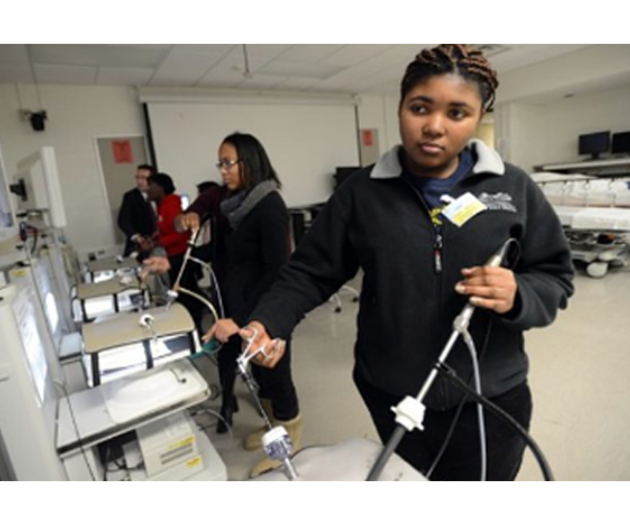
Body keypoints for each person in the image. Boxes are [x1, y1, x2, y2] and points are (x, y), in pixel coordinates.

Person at [240, 43, 575, 482]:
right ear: (400, 106)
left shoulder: (513, 189)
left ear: (478, 118)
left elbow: (555, 276)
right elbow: (310, 271)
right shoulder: (361, 194)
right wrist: (271, 320)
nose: (434, 127)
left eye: (457, 113)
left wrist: (519, 294)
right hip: (391, 391)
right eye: (420, 107)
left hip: (490, 396)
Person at [149, 133, 302, 477]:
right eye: (220, 163)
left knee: (277, 375)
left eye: (228, 163)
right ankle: (270, 426)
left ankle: (288, 442)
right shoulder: (228, 202)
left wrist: (248, 319)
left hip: (264, 308)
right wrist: (171, 263)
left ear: (249, 161)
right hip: (234, 305)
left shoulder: (269, 207)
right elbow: (212, 250)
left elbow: (278, 271)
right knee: (259, 374)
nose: (223, 170)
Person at [147, 173, 201, 325]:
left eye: (152, 186)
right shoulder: (162, 205)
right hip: (171, 255)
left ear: (161, 188)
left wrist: (157, 244)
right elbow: (165, 228)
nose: (148, 190)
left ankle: (194, 323)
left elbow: (179, 234)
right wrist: (154, 238)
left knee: (186, 293)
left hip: (180, 255)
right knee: (186, 291)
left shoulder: (171, 204)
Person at [117, 164, 158, 260]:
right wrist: (137, 237)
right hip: (139, 247)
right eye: (137, 178)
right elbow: (123, 220)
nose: (139, 181)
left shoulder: (159, 195)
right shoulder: (131, 196)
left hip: (159, 245)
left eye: (143, 178)